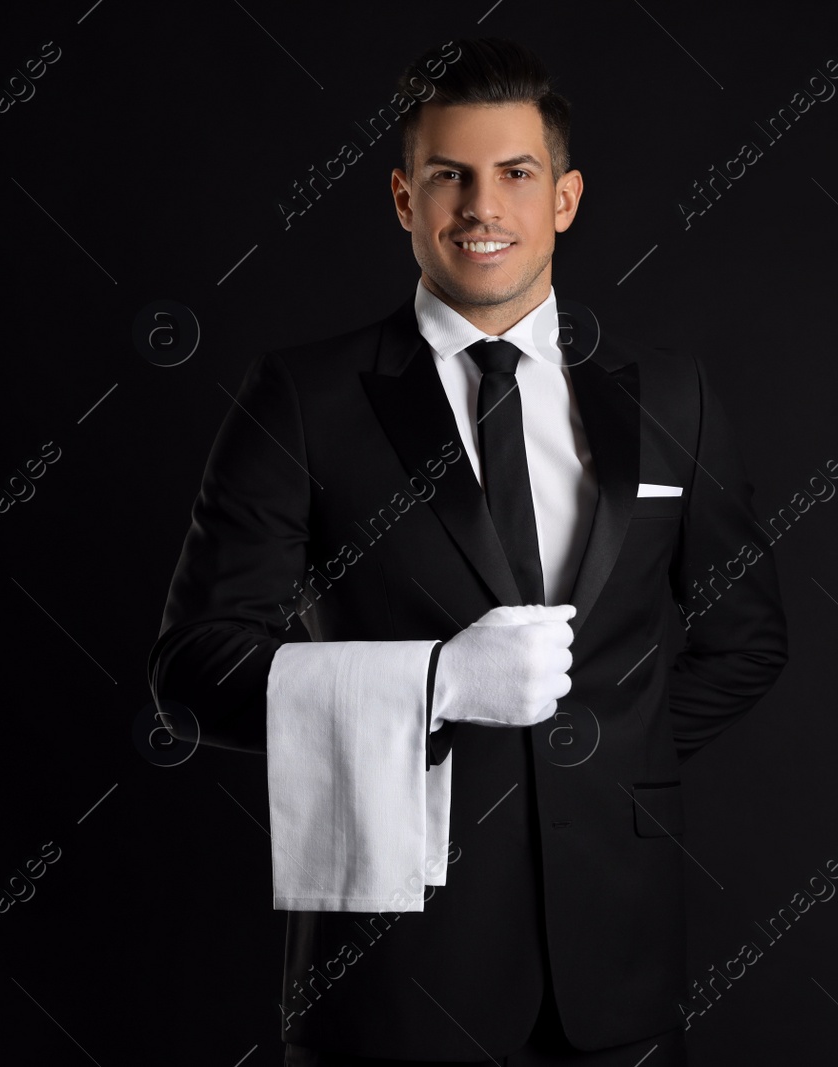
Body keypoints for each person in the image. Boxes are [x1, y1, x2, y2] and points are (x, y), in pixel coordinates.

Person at [147, 37, 789, 1065]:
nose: (481, 206)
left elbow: (746, 636)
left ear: (564, 199)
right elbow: (196, 667)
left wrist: (604, 758)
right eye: (449, 175)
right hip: (394, 972)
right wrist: (437, 682)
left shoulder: (673, 397)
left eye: (515, 174)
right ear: (406, 199)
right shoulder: (304, 398)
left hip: (616, 969)